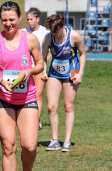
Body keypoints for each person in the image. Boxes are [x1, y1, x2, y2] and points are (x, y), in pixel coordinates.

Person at [0, 1, 44, 171]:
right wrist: (0, 81)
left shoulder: (30, 40)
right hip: (3, 99)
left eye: (12, 19)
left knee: (29, 146)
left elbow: (40, 64)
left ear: (20, 17)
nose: (8, 23)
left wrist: (29, 72)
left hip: (27, 98)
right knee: (8, 146)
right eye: (4, 20)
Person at [42, 13, 86, 152]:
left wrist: (80, 73)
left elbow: (83, 54)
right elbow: (43, 56)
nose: (53, 34)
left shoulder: (74, 36)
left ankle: (66, 141)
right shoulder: (48, 37)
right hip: (54, 74)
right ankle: (55, 141)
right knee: (51, 107)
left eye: (56, 31)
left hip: (70, 75)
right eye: (51, 31)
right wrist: (43, 71)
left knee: (68, 107)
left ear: (62, 27)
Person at [22, 7, 51, 130]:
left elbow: (51, 50)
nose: (29, 22)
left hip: (39, 68)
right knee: (27, 95)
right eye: (27, 19)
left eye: (31, 19)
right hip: (26, 68)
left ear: (38, 19)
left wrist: (45, 59)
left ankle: (36, 121)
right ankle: (29, 119)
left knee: (38, 95)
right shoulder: (23, 32)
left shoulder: (45, 32)